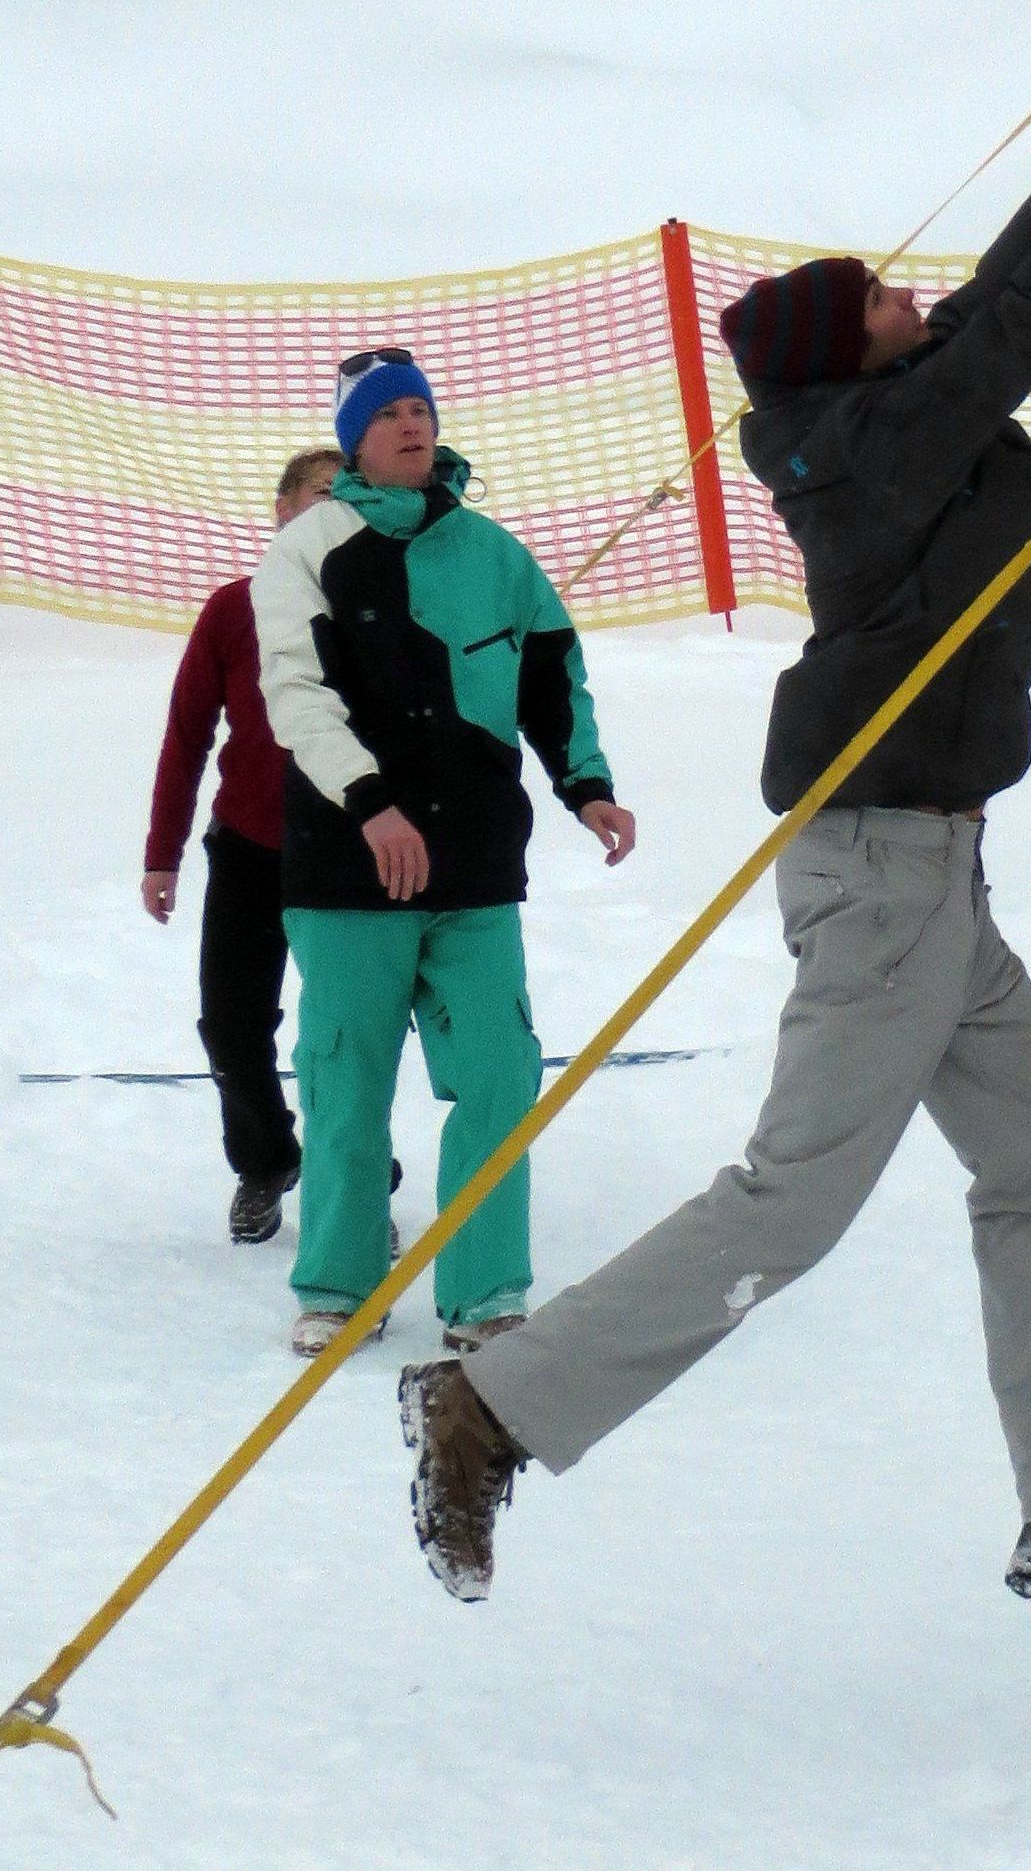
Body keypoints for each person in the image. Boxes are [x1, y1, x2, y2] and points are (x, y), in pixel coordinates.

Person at [397, 0, 1031, 1641]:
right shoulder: (875, 444)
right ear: (842, 363)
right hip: (882, 867)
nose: (906, 300)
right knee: (791, 1200)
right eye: (875, 304)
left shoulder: (878, 416)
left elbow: (1003, 285)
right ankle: (489, 1401)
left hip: (930, 863)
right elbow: (1028, 312)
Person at [252, 350, 635, 1359]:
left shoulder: (495, 553)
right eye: (390, 414)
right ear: (356, 440)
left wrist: (585, 784)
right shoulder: (306, 551)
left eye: (421, 407)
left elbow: (553, 675)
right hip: (348, 869)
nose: (413, 425)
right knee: (347, 1080)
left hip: (469, 869)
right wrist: (371, 802)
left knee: (501, 1074)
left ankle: (485, 1294)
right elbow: (298, 698)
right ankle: (339, 1284)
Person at [144, 449, 339, 1244]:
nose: (332, 509)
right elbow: (187, 734)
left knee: (346, 1032)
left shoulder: (379, 605)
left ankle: (348, 1179)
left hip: (347, 853)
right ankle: (265, 1162)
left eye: (344, 496)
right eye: (318, 495)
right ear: (283, 511)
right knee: (229, 1024)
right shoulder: (234, 610)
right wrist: (163, 853)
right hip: (250, 848)